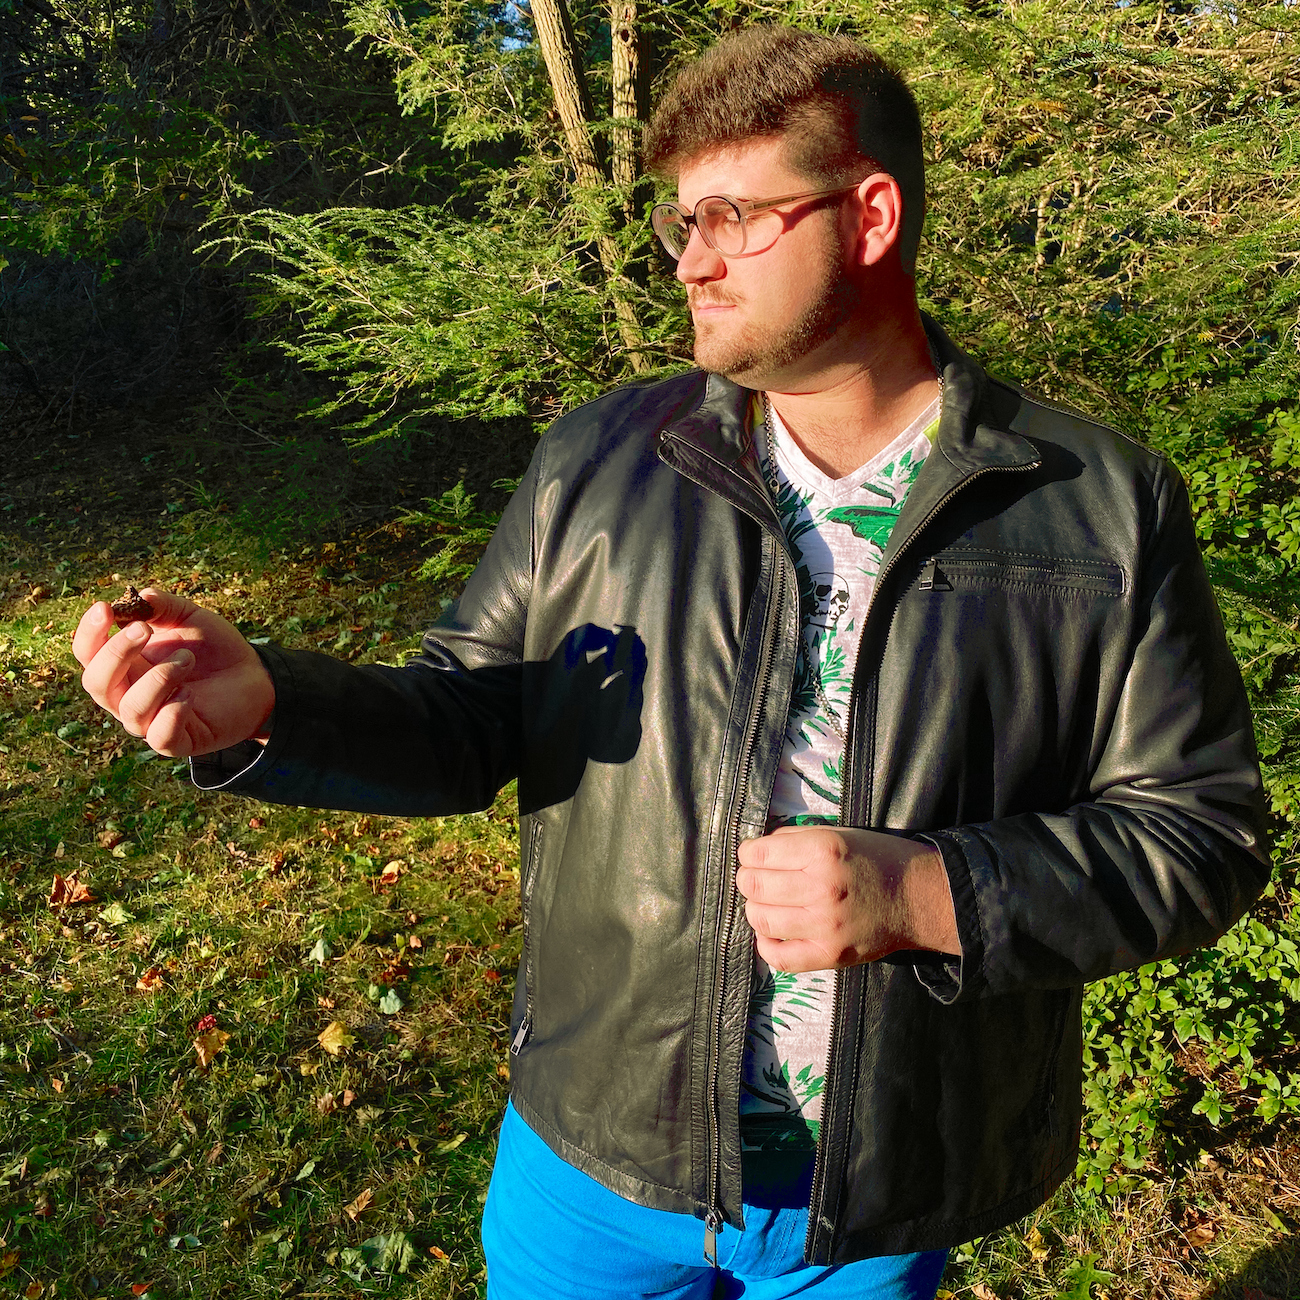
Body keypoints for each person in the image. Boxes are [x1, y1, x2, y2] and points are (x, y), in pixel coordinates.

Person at [74, 24, 1268, 1300]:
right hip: (593, 1154)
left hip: (871, 1196)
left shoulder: (1092, 506)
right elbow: (468, 719)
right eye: (682, 222)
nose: (691, 259)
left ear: (870, 216)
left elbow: (1199, 833)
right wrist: (274, 706)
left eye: (732, 217)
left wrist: (930, 894)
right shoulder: (598, 463)